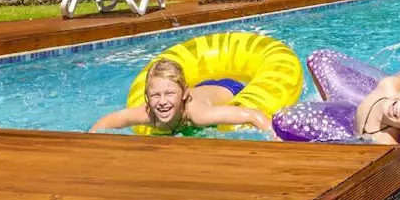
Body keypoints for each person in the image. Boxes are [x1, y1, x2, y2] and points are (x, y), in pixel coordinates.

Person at [90, 57, 276, 137]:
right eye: (155, 95)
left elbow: (252, 115)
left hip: (228, 87)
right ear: (146, 96)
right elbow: (108, 122)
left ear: (184, 94)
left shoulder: (199, 115)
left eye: (169, 94)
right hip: (201, 89)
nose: (162, 102)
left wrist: (275, 137)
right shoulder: (147, 114)